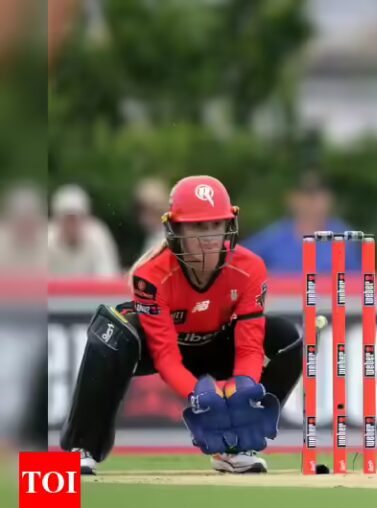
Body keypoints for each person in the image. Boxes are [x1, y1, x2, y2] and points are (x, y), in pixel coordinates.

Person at [60, 176, 302, 475]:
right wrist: (199, 394)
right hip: (159, 348)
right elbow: (166, 357)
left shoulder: (250, 267)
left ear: (229, 225)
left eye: (215, 225)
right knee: (111, 333)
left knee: (287, 338)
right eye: (198, 227)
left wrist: (244, 392)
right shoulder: (151, 274)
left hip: (215, 344)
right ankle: (80, 447)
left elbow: (250, 346)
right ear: (176, 230)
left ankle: (236, 446)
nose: (209, 237)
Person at [244, 174, 360, 274]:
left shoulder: (344, 238)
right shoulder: (273, 236)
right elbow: (240, 260)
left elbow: (356, 284)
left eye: (322, 195)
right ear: (293, 199)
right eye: (310, 196)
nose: (317, 203)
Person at [47, 184, 121, 277]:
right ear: (57, 219)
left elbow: (108, 276)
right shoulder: (46, 240)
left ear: (86, 218)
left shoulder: (98, 236)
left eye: (76, 218)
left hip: (92, 291)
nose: (72, 224)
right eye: (67, 218)